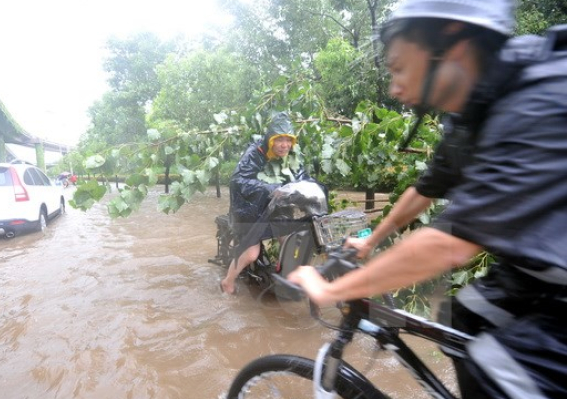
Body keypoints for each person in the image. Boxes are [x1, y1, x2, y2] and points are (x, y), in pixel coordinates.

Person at [288, 1, 567, 398]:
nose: (394, 88)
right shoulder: (474, 112)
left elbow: (449, 244)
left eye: (399, 66)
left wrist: (333, 291)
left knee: (496, 365)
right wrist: (370, 240)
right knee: (462, 316)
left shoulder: (534, 103)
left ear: (450, 40)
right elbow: (425, 189)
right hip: (537, 271)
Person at [220, 111, 312, 295]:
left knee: (290, 241)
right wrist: (270, 188)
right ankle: (227, 282)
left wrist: (309, 189)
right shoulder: (254, 153)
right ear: (271, 139)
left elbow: (302, 176)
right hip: (248, 209)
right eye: (280, 140)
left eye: (288, 140)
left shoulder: (291, 156)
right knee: (252, 253)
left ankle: (285, 276)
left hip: (276, 207)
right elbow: (238, 181)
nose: (284, 145)